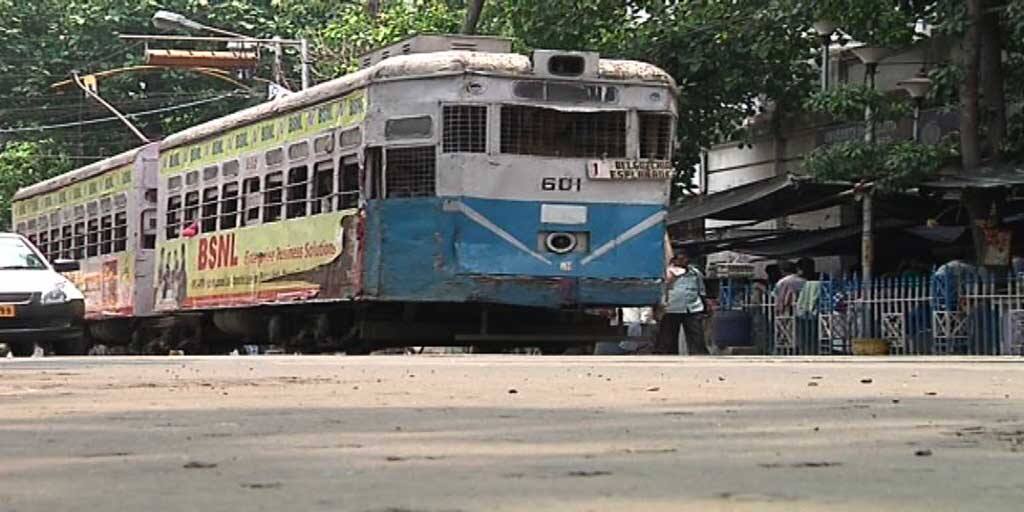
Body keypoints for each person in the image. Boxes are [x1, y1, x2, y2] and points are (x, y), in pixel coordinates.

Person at [656, 249, 708, 355]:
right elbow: (660, 289)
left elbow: (701, 291)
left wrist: (705, 307)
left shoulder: (695, 273)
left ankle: (699, 356)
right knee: (668, 338)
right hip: (671, 308)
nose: (684, 261)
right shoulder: (667, 272)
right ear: (674, 260)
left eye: (686, 258)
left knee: (697, 336)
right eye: (681, 259)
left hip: (692, 308)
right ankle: (668, 357)